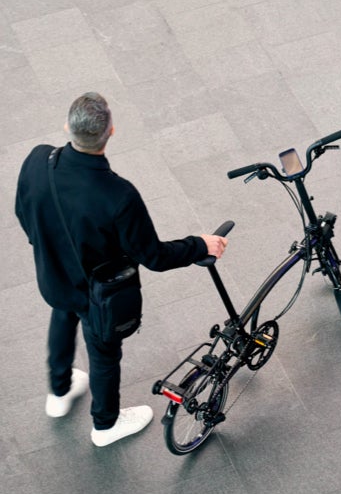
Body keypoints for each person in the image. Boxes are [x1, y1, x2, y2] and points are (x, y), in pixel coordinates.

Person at [15, 92, 228, 447]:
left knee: (63, 315)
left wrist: (49, 251)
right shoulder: (118, 195)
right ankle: (105, 425)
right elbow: (153, 256)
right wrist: (200, 245)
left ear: (68, 126)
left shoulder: (37, 160)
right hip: (97, 294)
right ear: (111, 131)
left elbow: (24, 212)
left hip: (53, 278)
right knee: (103, 354)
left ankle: (60, 391)